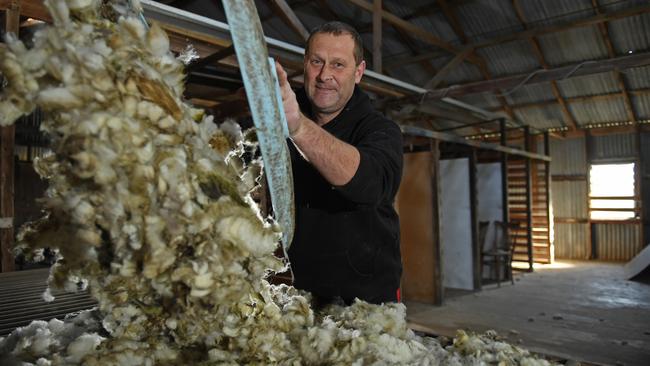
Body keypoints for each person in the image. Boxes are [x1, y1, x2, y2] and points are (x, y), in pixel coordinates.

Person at [275, 21, 403, 305]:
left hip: (365, 300)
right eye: (317, 62)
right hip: (298, 294)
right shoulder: (280, 116)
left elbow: (370, 184)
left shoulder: (380, 130)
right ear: (305, 64)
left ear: (358, 72)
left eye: (338, 65)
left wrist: (298, 127)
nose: (324, 75)